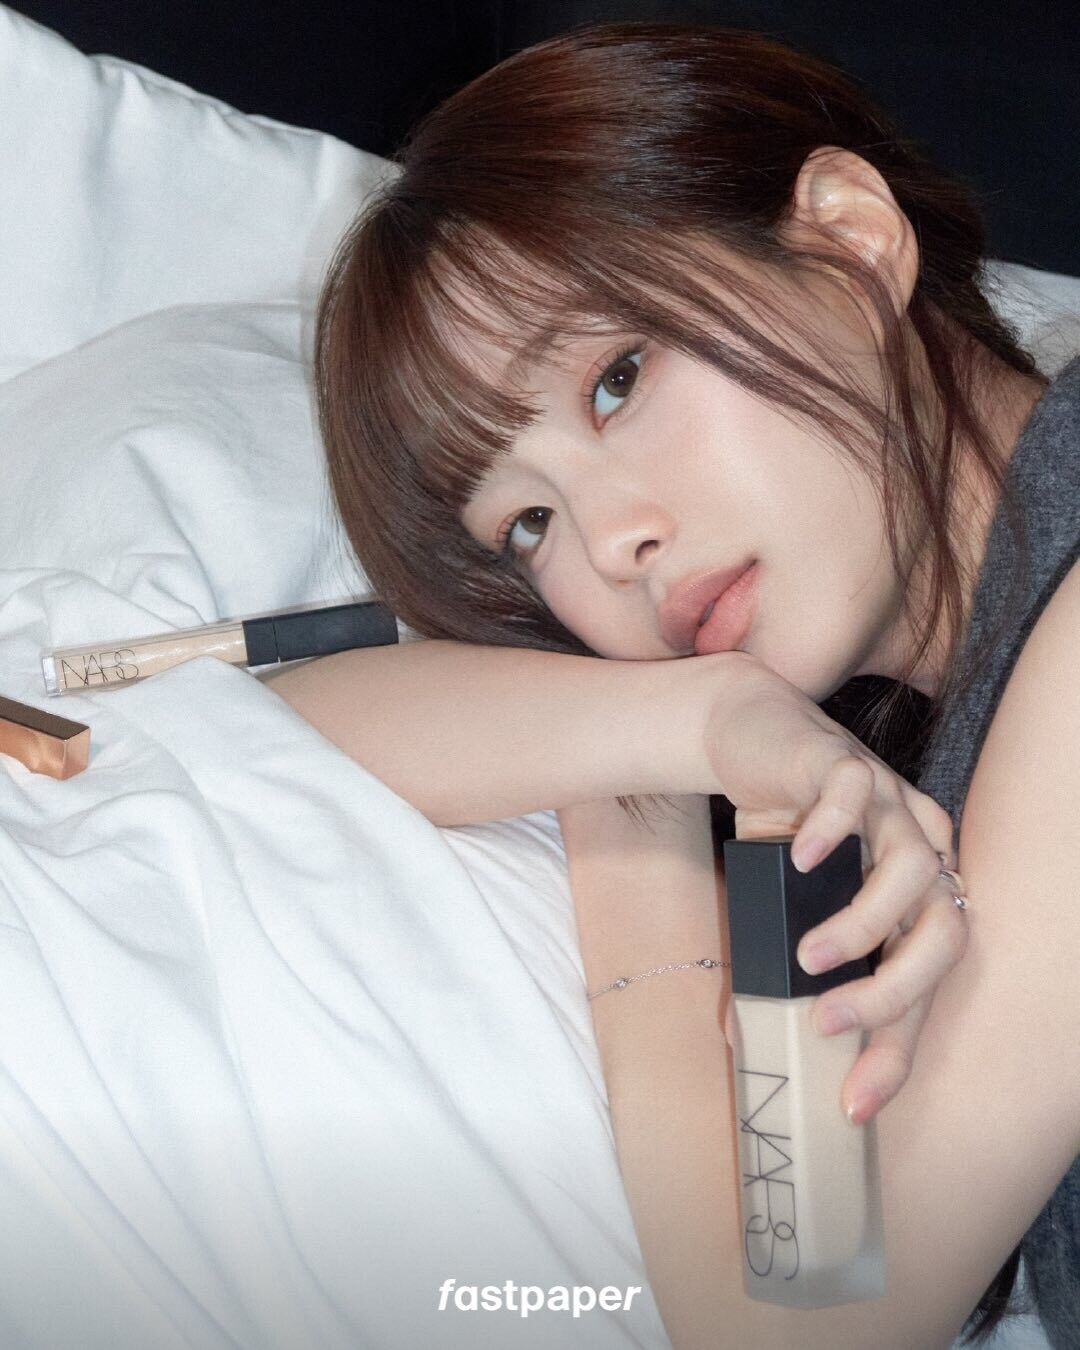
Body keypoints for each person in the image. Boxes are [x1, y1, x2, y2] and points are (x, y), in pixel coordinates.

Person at [264, 22, 1079, 1349]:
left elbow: (802, 1328)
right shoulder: (926, 757)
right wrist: (692, 720)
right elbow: (282, 724)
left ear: (850, 238)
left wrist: (617, 812)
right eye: (527, 525)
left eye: (617, 379)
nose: (609, 546)